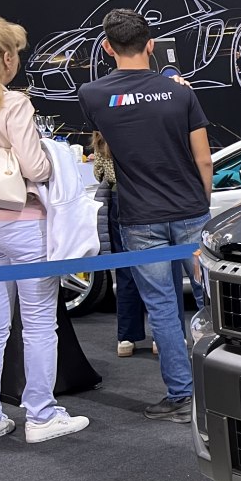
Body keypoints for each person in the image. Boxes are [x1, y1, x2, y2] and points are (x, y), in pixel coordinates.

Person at [77, 9, 213, 424]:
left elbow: (106, 137)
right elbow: (204, 160)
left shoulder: (93, 95)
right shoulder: (180, 92)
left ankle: (181, 396)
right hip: (191, 211)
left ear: (106, 47)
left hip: (139, 217)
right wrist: (201, 205)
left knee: (163, 310)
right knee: (213, 302)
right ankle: (225, 393)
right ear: (151, 45)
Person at [0, 10, 89, 445]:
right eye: (14, 53)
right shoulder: (14, 104)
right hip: (22, 225)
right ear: (2, 58)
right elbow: (36, 167)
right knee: (39, 323)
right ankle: (40, 414)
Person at [90, 131, 153, 359]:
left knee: (126, 271)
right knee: (158, 269)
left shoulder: (103, 131)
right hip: (148, 199)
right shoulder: (143, 126)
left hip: (119, 200)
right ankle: (160, 336)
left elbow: (99, 173)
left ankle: (126, 338)